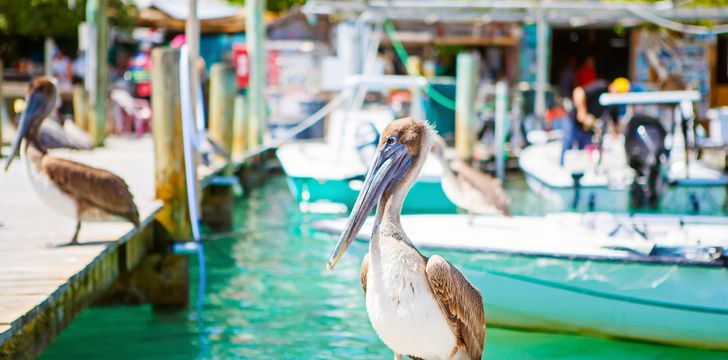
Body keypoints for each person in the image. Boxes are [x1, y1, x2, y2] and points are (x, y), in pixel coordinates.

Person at [561, 77, 628, 165]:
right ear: (614, 87)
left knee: (583, 152)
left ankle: (579, 173)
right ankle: (562, 167)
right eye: (618, 92)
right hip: (573, 121)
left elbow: (615, 124)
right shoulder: (602, 86)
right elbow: (578, 91)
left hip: (587, 127)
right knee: (568, 144)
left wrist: (618, 136)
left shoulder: (613, 102)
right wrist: (582, 111)